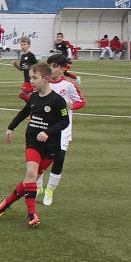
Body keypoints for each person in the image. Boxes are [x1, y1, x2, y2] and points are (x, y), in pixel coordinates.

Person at [0, 62, 69, 228]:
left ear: (46, 79)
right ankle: (32, 213)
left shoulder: (58, 101)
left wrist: (48, 132)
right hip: (33, 142)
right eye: (30, 78)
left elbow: (65, 121)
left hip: (50, 148)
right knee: (31, 172)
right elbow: (24, 112)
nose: (31, 81)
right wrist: (11, 127)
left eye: (35, 78)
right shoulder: (34, 97)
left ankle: (7, 202)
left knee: (30, 179)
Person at [38, 54, 85, 207]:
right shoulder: (43, 83)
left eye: (55, 66)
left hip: (63, 129)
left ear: (63, 69)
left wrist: (73, 105)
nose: (51, 68)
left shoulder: (69, 85)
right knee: (40, 158)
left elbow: (81, 101)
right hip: (44, 127)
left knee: (59, 158)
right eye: (50, 65)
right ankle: (38, 185)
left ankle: (50, 190)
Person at [13, 37, 37, 102]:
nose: (23, 46)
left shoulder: (31, 55)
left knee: (23, 94)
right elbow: (21, 68)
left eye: (24, 44)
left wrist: (31, 67)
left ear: (29, 45)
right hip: (26, 80)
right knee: (23, 95)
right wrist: (15, 65)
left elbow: (37, 65)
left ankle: (32, 104)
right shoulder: (22, 56)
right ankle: (31, 104)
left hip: (32, 80)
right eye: (21, 45)